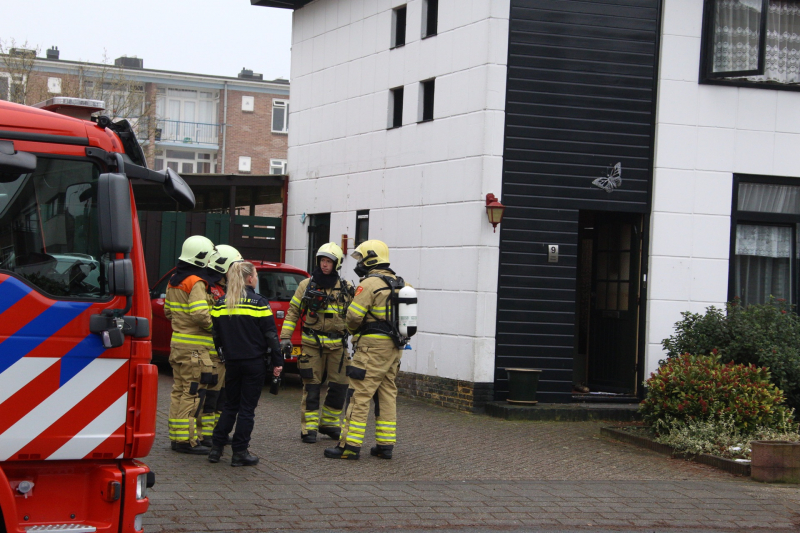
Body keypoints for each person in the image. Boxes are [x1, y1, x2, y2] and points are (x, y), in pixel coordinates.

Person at [324, 240, 408, 460]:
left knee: (359, 394)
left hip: (371, 348)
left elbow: (353, 316)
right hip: (395, 348)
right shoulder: (401, 283)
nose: (359, 263)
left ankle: (349, 446)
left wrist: (352, 331)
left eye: (361, 258)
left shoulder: (369, 283)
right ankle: (385, 445)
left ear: (371, 258)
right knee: (387, 394)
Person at [207, 261, 283, 466]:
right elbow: (270, 335)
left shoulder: (221, 303)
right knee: (247, 409)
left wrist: (223, 354)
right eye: (256, 275)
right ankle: (240, 452)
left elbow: (216, 335)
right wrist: (278, 361)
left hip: (232, 362)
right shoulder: (259, 303)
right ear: (250, 278)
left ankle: (216, 448)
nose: (256, 278)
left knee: (230, 405)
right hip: (254, 363)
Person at [280, 243, 353, 443]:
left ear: (336, 264)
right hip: (312, 345)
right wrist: (285, 337)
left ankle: (329, 424)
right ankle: (308, 428)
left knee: (340, 386)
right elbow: (293, 311)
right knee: (311, 386)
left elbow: (356, 315)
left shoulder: (346, 288)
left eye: (328, 261)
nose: (324, 265)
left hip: (337, 345)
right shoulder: (306, 285)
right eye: (322, 261)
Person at [165, 235, 219, 454]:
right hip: (196, 350)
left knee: (179, 391)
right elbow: (200, 315)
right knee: (192, 393)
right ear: (200, 258)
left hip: (178, 346)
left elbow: (168, 311)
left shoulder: (174, 281)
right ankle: (186, 441)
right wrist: (216, 328)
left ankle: (177, 437)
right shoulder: (196, 282)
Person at [199, 244, 243, 446]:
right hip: (211, 351)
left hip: (225, 352)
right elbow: (210, 320)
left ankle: (218, 432)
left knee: (223, 395)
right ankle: (206, 434)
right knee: (211, 394)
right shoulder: (209, 289)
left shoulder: (223, 288)